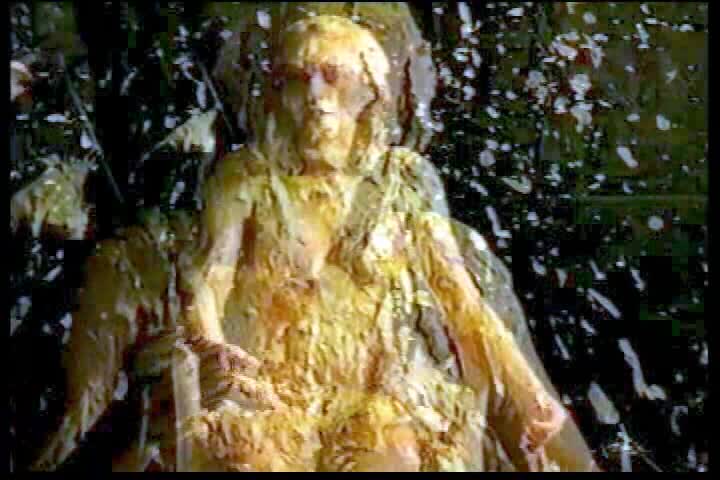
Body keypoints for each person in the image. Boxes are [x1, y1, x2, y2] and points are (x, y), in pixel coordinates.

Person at [32, 15, 598, 472]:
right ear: (277, 92)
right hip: (269, 397)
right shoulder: (248, 176)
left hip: (374, 403)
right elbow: (212, 272)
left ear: (369, 92)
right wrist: (211, 344)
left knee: (394, 453)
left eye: (333, 77)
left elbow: (466, 308)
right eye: (298, 79)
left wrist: (532, 398)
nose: (316, 95)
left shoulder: (403, 182)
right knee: (244, 454)